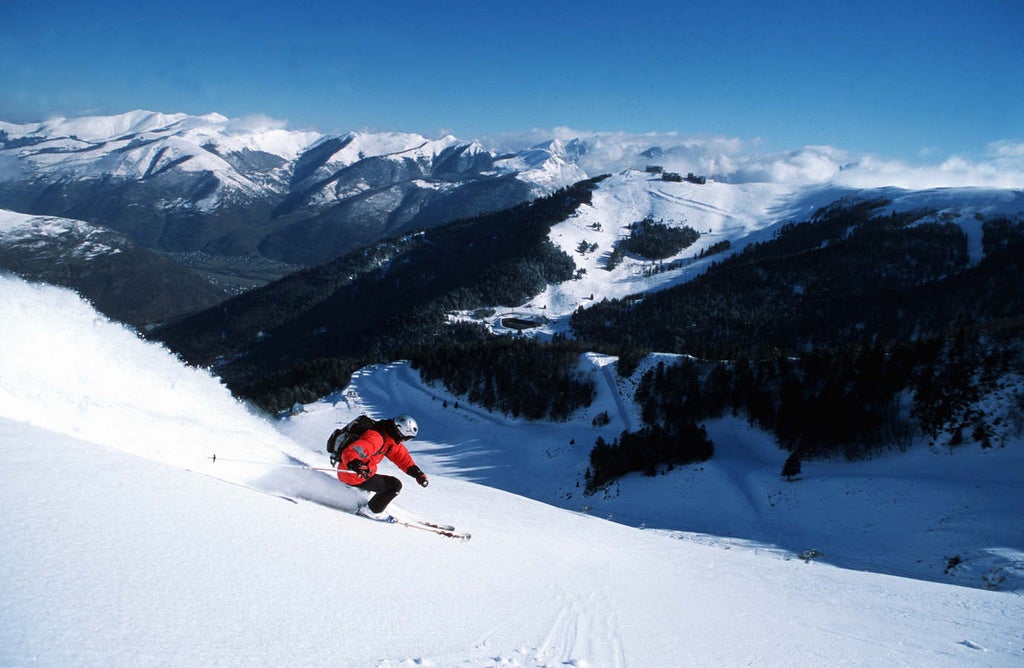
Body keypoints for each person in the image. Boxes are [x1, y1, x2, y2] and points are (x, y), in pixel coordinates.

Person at [336, 414, 429, 520]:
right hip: (352, 474)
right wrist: (357, 465)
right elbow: (351, 451)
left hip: (359, 473)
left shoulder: (388, 439)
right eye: (406, 438)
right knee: (394, 485)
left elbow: (403, 458)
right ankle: (370, 511)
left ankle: (358, 496)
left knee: (386, 483)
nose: (404, 441)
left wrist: (418, 474)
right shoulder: (376, 438)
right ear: (400, 431)